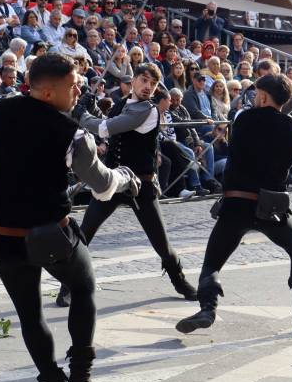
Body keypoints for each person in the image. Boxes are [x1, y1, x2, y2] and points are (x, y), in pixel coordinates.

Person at [0, 53, 139, 382]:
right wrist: (126, 177)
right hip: (50, 233)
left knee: (30, 314)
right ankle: (80, 378)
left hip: (2, 235)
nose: (78, 91)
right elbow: (102, 186)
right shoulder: (72, 134)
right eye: (72, 86)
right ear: (48, 92)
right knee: (83, 287)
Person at [176, 74, 292, 337]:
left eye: (257, 95)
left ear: (262, 97)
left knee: (212, 264)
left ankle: (208, 309)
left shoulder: (242, 118)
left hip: (235, 204)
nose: (253, 99)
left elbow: (270, 115)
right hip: (270, 208)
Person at [59, 63, 199, 306]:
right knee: (85, 233)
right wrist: (91, 106)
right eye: (143, 80)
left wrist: (81, 113)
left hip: (140, 185)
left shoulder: (148, 110)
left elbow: (105, 129)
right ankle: (68, 286)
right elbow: (108, 123)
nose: (147, 87)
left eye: (152, 83)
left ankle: (180, 281)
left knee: (161, 243)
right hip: (113, 182)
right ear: (133, 80)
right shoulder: (124, 104)